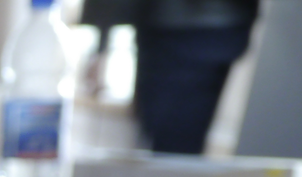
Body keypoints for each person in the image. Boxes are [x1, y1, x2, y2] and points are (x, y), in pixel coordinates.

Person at [83, 0, 260, 155]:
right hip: (221, 24)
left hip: (169, 25)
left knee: (170, 141)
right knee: (182, 138)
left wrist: (102, 42)